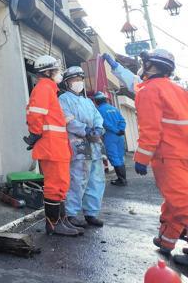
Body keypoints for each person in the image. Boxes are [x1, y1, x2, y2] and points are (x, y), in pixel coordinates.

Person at [24, 55, 80, 236]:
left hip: (56, 146)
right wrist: (34, 133)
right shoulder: (43, 88)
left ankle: (60, 221)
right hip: (51, 146)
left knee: (61, 184)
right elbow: (34, 115)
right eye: (56, 70)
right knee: (55, 186)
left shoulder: (49, 89)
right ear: (47, 72)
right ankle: (54, 224)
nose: (59, 74)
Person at [59, 66, 106, 229]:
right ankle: (71, 214)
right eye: (74, 79)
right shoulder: (63, 99)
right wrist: (85, 130)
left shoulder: (87, 101)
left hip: (93, 143)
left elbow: (97, 117)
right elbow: (67, 119)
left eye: (80, 79)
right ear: (67, 83)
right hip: (78, 143)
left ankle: (91, 213)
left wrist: (98, 129)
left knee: (96, 178)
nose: (78, 82)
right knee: (77, 179)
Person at [93, 91, 128, 186]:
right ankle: (123, 178)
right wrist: (121, 130)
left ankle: (122, 180)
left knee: (114, 156)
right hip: (119, 136)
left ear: (96, 101)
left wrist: (115, 130)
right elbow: (122, 120)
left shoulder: (99, 110)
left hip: (110, 136)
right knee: (120, 157)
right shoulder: (114, 108)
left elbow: (104, 123)